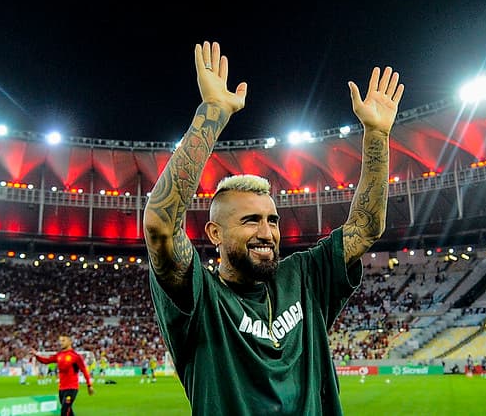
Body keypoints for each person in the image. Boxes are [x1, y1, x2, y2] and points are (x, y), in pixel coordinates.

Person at [144, 41, 404, 415]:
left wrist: (377, 136)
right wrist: (213, 112)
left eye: (272, 220)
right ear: (215, 234)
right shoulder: (198, 299)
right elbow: (160, 225)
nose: (267, 232)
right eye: (250, 220)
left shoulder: (304, 277)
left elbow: (365, 228)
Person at [32, 335, 94, 415]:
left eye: (63, 340)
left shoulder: (75, 357)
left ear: (70, 342)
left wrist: (89, 385)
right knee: (68, 411)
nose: (61, 343)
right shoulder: (59, 355)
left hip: (72, 388)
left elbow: (84, 370)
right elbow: (46, 361)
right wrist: (36, 355)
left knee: (64, 411)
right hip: (62, 388)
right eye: (60, 341)